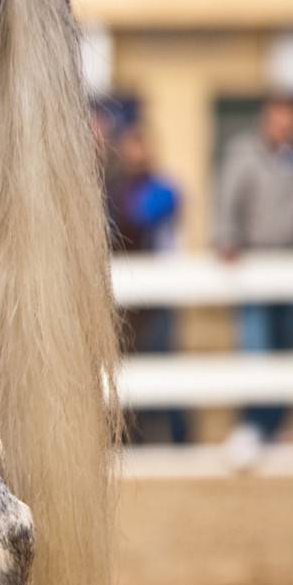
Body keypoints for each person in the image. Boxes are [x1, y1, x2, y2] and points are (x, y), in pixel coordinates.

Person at [214, 95, 293, 468]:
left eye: (291, 119)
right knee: (256, 346)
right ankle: (252, 427)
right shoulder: (244, 154)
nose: (285, 125)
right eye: (279, 118)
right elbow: (226, 201)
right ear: (267, 119)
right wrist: (226, 238)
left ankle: (275, 427)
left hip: (292, 266)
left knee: (285, 347)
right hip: (254, 264)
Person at [105, 123, 186, 444]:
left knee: (164, 362)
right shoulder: (112, 189)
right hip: (121, 297)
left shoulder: (164, 189)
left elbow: (141, 216)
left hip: (156, 296)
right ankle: (127, 439)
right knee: (123, 364)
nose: (134, 154)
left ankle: (179, 438)